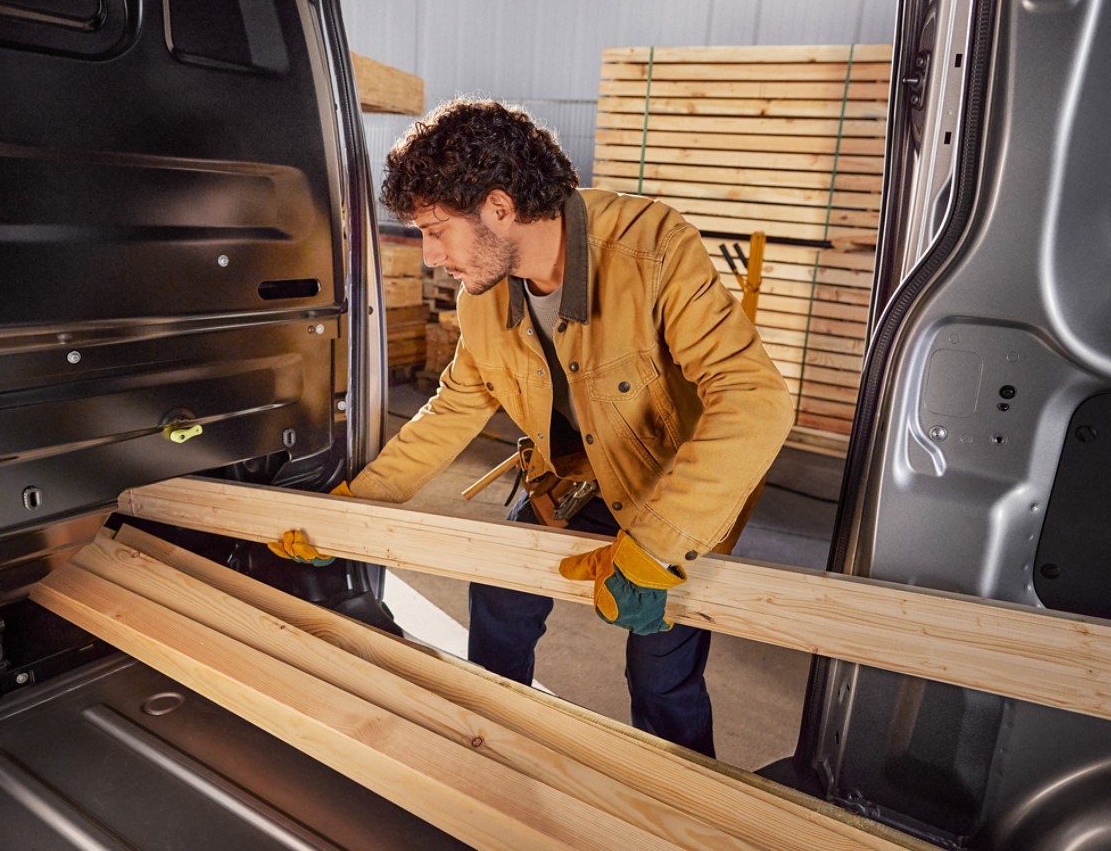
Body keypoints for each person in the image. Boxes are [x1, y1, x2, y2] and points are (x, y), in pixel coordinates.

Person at [272, 97, 794, 757]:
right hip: (571, 481)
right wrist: (357, 508)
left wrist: (658, 547)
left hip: (671, 497)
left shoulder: (651, 247)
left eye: (435, 230)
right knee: (499, 602)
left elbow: (755, 399)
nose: (430, 255)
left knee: (662, 676)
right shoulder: (481, 300)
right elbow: (453, 409)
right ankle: (494, 749)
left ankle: (686, 800)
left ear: (497, 207)